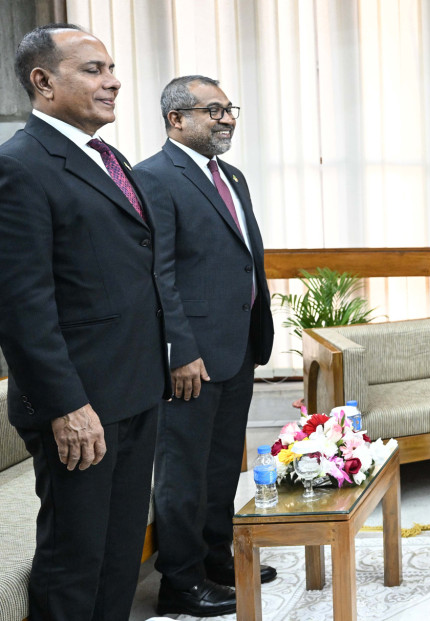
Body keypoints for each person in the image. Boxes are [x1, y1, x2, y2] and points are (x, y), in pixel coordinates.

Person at [0, 24, 170, 620]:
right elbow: (21, 306)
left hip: (133, 388)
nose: (113, 81)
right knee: (76, 560)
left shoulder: (105, 156)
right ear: (43, 82)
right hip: (80, 403)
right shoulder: (19, 166)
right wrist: (66, 406)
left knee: (119, 555)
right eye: (93, 70)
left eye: (112, 68)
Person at [134, 75, 276, 617]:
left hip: (237, 346)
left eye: (229, 108)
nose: (227, 118)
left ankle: (218, 560)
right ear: (176, 119)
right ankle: (182, 581)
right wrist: (179, 350)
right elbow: (159, 274)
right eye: (213, 110)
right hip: (190, 356)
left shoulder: (231, 175)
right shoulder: (153, 177)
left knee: (220, 467)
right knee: (183, 472)